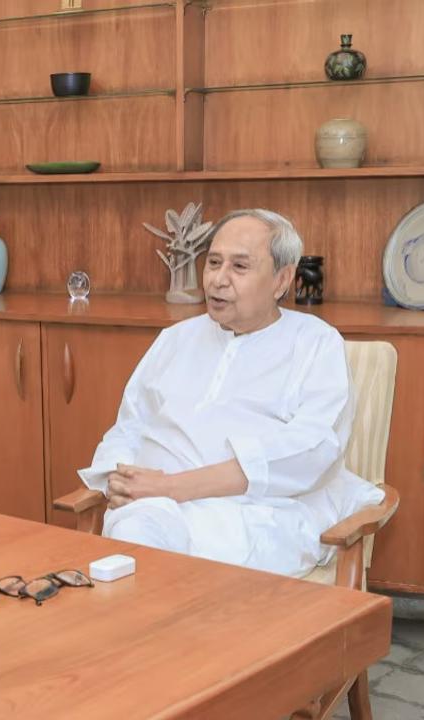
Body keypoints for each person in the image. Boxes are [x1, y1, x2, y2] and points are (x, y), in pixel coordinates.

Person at [79, 209, 383, 577]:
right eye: (214, 263)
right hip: (153, 506)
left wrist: (174, 487)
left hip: (254, 513)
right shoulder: (176, 339)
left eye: (239, 267)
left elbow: (311, 450)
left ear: (282, 279)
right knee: (132, 548)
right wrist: (120, 476)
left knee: (191, 570)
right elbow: (130, 425)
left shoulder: (316, 344)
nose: (218, 280)